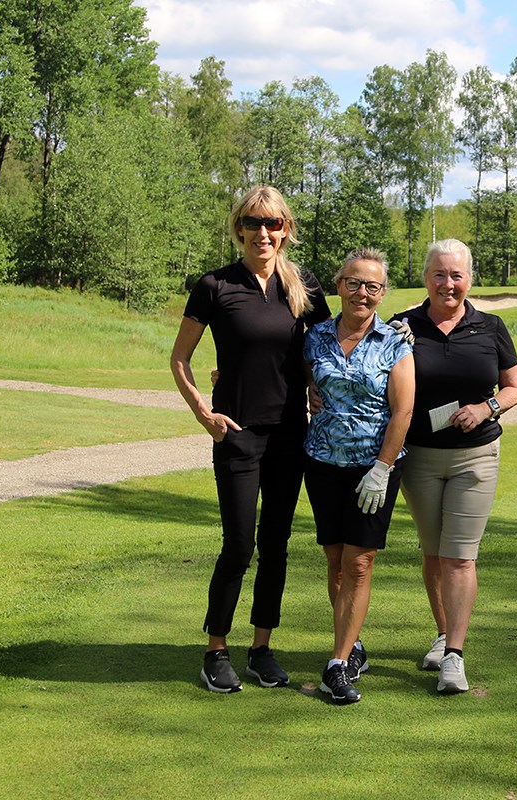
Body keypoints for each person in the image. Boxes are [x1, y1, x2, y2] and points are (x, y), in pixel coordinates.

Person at [171, 185, 331, 693]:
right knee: (239, 545)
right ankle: (216, 649)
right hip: (237, 433)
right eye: (254, 223)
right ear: (239, 228)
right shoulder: (215, 286)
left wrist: (316, 387)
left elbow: (326, 348)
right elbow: (180, 359)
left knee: (277, 545)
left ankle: (261, 647)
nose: (264, 233)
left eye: (274, 224)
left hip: (289, 435)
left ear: (286, 230)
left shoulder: (302, 287)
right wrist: (204, 410)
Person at [393, 238, 517, 694]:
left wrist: (486, 408)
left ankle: (455, 655)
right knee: (433, 555)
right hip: (421, 460)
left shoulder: (490, 326)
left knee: (459, 557)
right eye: (439, 274)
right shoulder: (402, 326)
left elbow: (513, 388)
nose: (449, 284)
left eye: (457, 275)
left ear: (470, 278)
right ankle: (444, 632)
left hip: (477, 456)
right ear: (426, 277)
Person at [303, 248, 414, 705]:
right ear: (338, 285)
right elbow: (287, 376)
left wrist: (382, 469)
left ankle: (337, 664)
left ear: (383, 293)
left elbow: (403, 410)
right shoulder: (314, 337)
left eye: (371, 286)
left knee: (359, 562)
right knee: (334, 560)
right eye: (353, 283)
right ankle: (352, 646)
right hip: (322, 463)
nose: (361, 293)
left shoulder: (395, 342)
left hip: (374, 468)